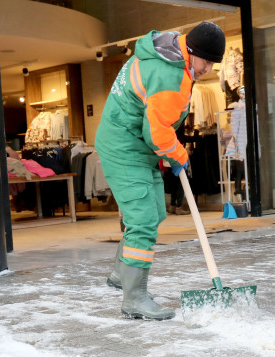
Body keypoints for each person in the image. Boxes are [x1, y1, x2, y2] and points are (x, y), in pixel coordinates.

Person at [95, 22, 226, 320]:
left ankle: (120, 274)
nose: (208, 69)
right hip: (125, 147)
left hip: (135, 145)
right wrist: (179, 154)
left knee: (154, 212)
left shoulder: (168, 53)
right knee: (142, 220)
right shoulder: (169, 74)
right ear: (192, 52)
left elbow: (155, 122)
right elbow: (157, 132)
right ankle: (134, 297)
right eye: (206, 61)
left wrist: (172, 152)